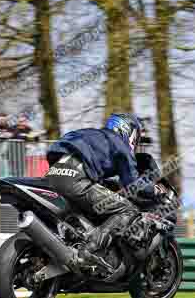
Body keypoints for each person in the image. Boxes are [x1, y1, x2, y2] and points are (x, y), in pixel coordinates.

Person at [44, 113, 165, 267]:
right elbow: (133, 183)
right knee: (128, 210)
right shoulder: (120, 144)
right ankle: (90, 250)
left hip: (53, 175)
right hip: (76, 179)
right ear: (129, 131)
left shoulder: (91, 134)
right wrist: (154, 190)